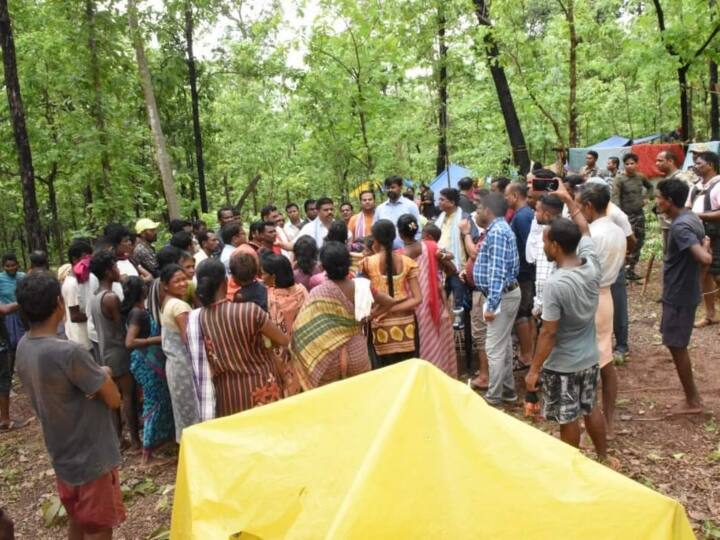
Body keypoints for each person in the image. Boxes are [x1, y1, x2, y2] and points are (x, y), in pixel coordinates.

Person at [15, 272, 126, 538]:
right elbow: (113, 399)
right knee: (99, 527)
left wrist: (96, 375)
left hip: (62, 452)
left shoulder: (24, 346)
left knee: (77, 517)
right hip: (92, 455)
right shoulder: (69, 352)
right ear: (58, 303)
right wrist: (104, 374)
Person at [524, 181, 611, 462]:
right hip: (589, 356)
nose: (544, 245)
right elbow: (584, 230)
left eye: (546, 241)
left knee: (567, 416)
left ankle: (572, 469)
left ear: (557, 246)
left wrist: (534, 371)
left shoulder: (556, 284)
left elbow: (549, 333)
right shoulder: (591, 265)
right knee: (591, 408)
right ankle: (603, 458)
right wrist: (568, 200)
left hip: (563, 364)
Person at [194, 259, 289, 416]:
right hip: (260, 389)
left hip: (227, 396)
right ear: (226, 282)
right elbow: (283, 340)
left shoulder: (197, 320)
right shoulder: (249, 311)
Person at [292, 242, 393, 388]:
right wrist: (368, 317)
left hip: (327, 358)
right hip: (357, 352)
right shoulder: (363, 286)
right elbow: (389, 302)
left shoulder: (318, 292)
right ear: (349, 263)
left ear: (322, 267)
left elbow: (301, 328)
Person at [656, 178, 712, 413]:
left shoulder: (680, 227)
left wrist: (706, 250)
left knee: (677, 345)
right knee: (675, 343)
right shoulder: (690, 217)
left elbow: (704, 258)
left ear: (669, 201)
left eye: (658, 197)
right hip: (683, 291)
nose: (655, 201)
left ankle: (693, 400)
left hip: (679, 295)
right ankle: (692, 398)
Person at [577, 183, 626, 438]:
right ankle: (609, 420)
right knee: (605, 359)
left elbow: (582, 270)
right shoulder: (618, 231)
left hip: (591, 298)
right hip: (606, 296)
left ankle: (592, 424)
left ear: (588, 206)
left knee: (587, 362)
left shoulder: (592, 236)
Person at [472, 193, 521, 406]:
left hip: (502, 296)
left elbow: (497, 271)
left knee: (493, 347)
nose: (476, 213)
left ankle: (494, 397)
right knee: (504, 345)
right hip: (503, 294)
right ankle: (508, 391)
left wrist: (491, 305)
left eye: (479, 208)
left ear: (488, 211)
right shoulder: (496, 230)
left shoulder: (498, 232)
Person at [88, 251, 140, 450]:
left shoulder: (95, 297)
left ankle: (119, 438)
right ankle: (135, 439)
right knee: (128, 395)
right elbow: (121, 328)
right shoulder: (110, 298)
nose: (119, 271)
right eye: (116, 267)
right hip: (118, 351)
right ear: (109, 271)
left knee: (114, 395)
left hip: (104, 351)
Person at [122, 277, 173, 466]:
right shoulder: (138, 313)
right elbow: (130, 342)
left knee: (157, 400)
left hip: (148, 361)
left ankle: (157, 443)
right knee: (153, 403)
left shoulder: (139, 311)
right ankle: (147, 454)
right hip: (146, 362)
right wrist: (158, 339)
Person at [397, 215, 457, 377]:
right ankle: (442, 379)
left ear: (400, 234)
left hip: (411, 308)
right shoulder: (431, 247)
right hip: (435, 306)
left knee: (420, 346)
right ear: (416, 230)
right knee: (439, 346)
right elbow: (452, 269)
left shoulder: (399, 256)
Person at [361, 220, 422, 367]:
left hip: (378, 322)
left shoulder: (367, 263)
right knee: (407, 368)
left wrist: (381, 311)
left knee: (383, 370)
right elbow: (418, 298)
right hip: (405, 323)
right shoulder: (408, 262)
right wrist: (391, 308)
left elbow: (365, 296)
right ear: (395, 238)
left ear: (375, 239)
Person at [160, 264, 199, 441]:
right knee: (192, 411)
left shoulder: (168, 302)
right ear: (166, 285)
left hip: (175, 365)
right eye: (177, 281)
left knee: (183, 411)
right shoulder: (179, 306)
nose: (183, 283)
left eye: (184, 279)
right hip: (185, 366)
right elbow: (188, 338)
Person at [261, 253, 308, 395]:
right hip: (305, 350)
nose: (261, 278)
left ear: (273, 277)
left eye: (263, 274)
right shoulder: (302, 291)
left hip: (283, 356)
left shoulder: (270, 300)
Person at [435, 187, 479, 328]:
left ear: (452, 202)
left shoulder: (464, 218)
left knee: (459, 299)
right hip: (442, 265)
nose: (439, 202)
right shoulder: (441, 218)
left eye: (442, 200)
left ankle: (461, 326)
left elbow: (474, 240)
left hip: (458, 267)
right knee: (441, 298)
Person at [687, 150, 720, 329]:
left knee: (717, 274)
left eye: (699, 163)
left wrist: (700, 216)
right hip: (699, 236)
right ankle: (710, 314)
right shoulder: (696, 186)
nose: (696, 166)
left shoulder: (718, 185)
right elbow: (687, 208)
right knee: (705, 275)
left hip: (717, 236)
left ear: (711, 165)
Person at [505, 182, 536, 368]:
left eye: (507, 195)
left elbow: (529, 246)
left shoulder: (523, 217)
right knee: (525, 313)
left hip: (523, 274)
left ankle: (526, 356)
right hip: (522, 272)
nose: (505, 199)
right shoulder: (520, 215)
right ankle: (528, 353)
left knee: (521, 314)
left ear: (515, 196)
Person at [611, 153, 653, 281]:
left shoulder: (640, 177)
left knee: (639, 241)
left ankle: (631, 269)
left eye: (632, 163)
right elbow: (615, 198)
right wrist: (619, 216)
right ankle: (621, 270)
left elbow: (650, 187)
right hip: (625, 216)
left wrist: (647, 198)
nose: (630, 166)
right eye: (627, 164)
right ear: (624, 165)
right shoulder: (619, 179)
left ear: (636, 164)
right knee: (625, 242)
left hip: (639, 214)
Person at [526, 194, 563, 317]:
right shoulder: (566, 229)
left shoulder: (547, 236)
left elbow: (543, 277)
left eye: (537, 210)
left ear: (547, 215)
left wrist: (538, 306)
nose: (534, 214)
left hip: (548, 304)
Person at [62, 240, 94, 352]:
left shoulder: (87, 277)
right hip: (81, 340)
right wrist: (96, 315)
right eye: (85, 258)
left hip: (91, 335)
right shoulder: (71, 284)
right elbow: (74, 316)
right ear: (75, 260)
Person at [374, 176, 421, 249]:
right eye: (387, 188)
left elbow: (416, 228)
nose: (390, 190)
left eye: (393, 187)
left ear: (400, 187)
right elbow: (375, 230)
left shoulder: (410, 206)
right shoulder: (380, 208)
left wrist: (411, 247)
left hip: (406, 252)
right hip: (385, 253)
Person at [0, 253, 25, 372]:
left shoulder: (23, 276)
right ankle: (9, 373)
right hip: (7, 316)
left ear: (18, 265)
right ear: (3, 267)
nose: (11, 268)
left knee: (24, 343)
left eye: (13, 265)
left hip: (23, 314)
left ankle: (24, 370)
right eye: (7, 266)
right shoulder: (0, 279)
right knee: (10, 346)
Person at [655, 150, 684, 254]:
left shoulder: (682, 178)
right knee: (667, 252)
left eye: (660, 161)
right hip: (667, 224)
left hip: (677, 224)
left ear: (670, 161)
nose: (656, 163)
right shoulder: (666, 179)